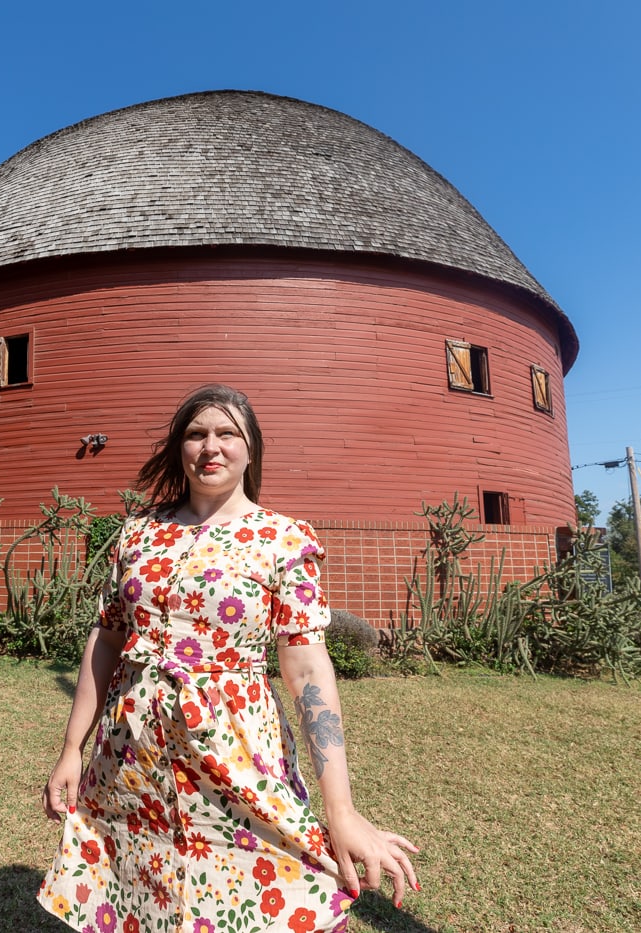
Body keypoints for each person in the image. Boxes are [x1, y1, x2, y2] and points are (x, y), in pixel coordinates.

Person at [38, 384, 419, 932]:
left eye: (227, 434)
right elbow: (108, 640)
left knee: (262, 890)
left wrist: (341, 809)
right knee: (143, 889)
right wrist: (71, 749)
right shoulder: (138, 536)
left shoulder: (283, 539)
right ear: (179, 448)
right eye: (196, 434)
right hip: (131, 756)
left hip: (237, 750)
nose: (210, 447)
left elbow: (308, 669)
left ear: (250, 449)